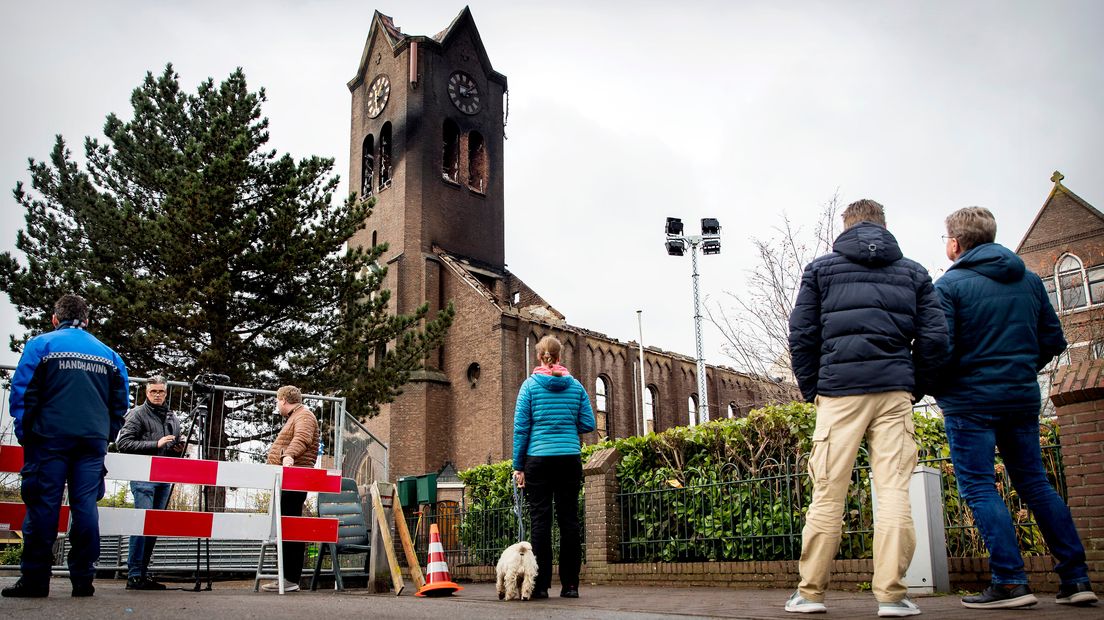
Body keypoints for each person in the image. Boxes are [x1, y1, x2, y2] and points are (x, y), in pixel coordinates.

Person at [786, 200, 948, 617]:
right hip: (894, 391)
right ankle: (892, 596)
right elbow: (934, 337)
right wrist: (915, 387)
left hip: (838, 392)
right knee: (894, 491)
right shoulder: (913, 273)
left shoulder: (821, 270)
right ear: (884, 226)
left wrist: (813, 389)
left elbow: (802, 334)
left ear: (845, 227)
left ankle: (810, 594)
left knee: (828, 492)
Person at [933, 207, 1097, 609]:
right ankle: (1076, 579)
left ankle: (1009, 582)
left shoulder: (949, 286)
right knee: (1036, 484)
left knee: (978, 486)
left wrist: (940, 387)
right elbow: (1053, 340)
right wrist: (1021, 369)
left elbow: (941, 350)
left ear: (955, 243)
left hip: (970, 403)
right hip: (1021, 397)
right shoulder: (1029, 280)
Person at [3, 294, 130, 598]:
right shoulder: (110, 355)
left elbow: (22, 394)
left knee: (43, 504)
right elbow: (120, 402)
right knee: (85, 505)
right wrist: (106, 433)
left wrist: (26, 434)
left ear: (54, 319)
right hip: (91, 440)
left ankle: (35, 579)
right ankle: (83, 579)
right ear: (87, 321)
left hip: (49, 437)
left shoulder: (41, 346)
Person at [512, 335, 596, 600]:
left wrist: (518, 466)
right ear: (560, 357)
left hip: (538, 460)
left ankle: (540, 586)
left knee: (540, 523)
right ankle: (571, 586)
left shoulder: (529, 387)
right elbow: (588, 423)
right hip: (569, 458)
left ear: (540, 357)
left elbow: (521, 429)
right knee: (569, 521)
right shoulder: (576, 387)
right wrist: (566, 424)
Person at [115, 375, 184, 590]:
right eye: (153, 391)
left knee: (153, 526)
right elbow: (123, 443)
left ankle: (142, 572)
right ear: (146, 392)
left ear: (166, 392)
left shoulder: (172, 417)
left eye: (161, 391)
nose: (157, 395)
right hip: (144, 476)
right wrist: (156, 443)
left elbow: (174, 444)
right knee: (141, 524)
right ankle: (134, 573)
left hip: (165, 476)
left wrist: (176, 448)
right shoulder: (136, 414)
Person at [261, 385, 319, 593]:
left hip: (294, 477)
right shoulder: (299, 416)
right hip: (290, 477)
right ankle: (286, 577)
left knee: (290, 526)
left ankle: (290, 578)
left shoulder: (304, 416)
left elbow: (303, 438)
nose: (277, 405)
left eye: (277, 401)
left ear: (284, 400)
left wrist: (289, 456)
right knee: (287, 525)